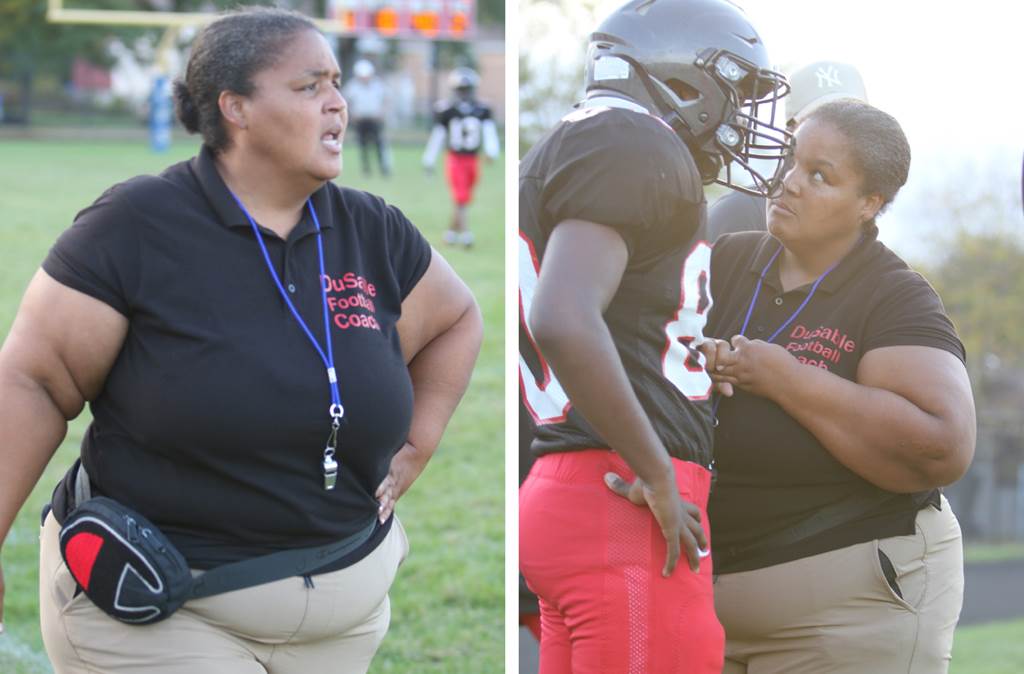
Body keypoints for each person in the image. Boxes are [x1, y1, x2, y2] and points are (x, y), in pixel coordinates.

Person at [0, 7, 482, 673]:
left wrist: (418, 441)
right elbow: (32, 379)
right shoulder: (137, 225)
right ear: (236, 108)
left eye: (337, 83)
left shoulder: (373, 229)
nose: (338, 104)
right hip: (167, 608)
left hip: (344, 619)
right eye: (310, 86)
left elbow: (459, 319)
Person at [517, 0, 792, 671]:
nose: (742, 117)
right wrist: (656, 469)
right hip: (622, 498)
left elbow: (613, 315)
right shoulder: (630, 139)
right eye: (739, 91)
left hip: (583, 492)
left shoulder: (589, 137)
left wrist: (686, 363)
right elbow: (562, 314)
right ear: (688, 80)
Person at [700, 99, 975, 673]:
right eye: (790, 162)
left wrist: (782, 378)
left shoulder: (893, 295)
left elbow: (943, 445)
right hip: (711, 611)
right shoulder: (725, 260)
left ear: (869, 203)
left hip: (853, 615)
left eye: (819, 176)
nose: (790, 184)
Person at [707, 60, 867, 241]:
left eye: (851, 122)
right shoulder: (743, 213)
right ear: (789, 134)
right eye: (821, 123)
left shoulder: (859, 220)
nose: (838, 135)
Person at [422, 67, 500, 249]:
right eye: (461, 90)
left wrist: (491, 151)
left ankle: (450, 233)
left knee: (463, 199)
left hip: (473, 159)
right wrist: (429, 159)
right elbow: (438, 136)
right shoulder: (446, 110)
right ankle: (465, 234)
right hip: (455, 158)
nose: (464, 94)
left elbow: (489, 132)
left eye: (466, 89)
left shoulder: (482, 109)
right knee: (461, 197)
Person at [342, 58, 391, 177]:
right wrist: (352, 114)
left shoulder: (378, 85)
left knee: (379, 145)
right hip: (361, 121)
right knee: (363, 146)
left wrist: (382, 113)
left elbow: (386, 99)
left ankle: (384, 169)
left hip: (375, 120)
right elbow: (345, 101)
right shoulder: (352, 86)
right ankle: (366, 170)